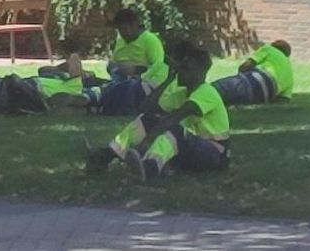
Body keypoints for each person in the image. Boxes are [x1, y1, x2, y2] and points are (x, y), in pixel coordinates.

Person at [86, 41, 230, 182]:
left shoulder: (206, 92)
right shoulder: (181, 94)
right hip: (192, 149)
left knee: (174, 129)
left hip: (214, 154)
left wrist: (146, 143)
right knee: (148, 119)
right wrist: (168, 80)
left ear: (198, 72)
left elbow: (173, 120)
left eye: (184, 68)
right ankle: (108, 154)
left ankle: (149, 167)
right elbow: (146, 109)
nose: (179, 71)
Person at [88, 9, 170, 115]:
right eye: (120, 30)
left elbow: (158, 68)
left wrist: (135, 70)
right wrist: (112, 66)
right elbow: (114, 62)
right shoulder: (120, 41)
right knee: (90, 80)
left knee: (124, 87)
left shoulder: (150, 40)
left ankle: (95, 99)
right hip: (118, 78)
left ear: (135, 25)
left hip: (141, 83)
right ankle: (95, 99)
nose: (123, 33)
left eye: (125, 29)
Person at [212, 39, 293, 106]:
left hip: (254, 80)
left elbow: (246, 66)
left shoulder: (269, 49)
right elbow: (284, 100)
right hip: (261, 97)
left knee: (214, 89)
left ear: (273, 45)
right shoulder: (290, 73)